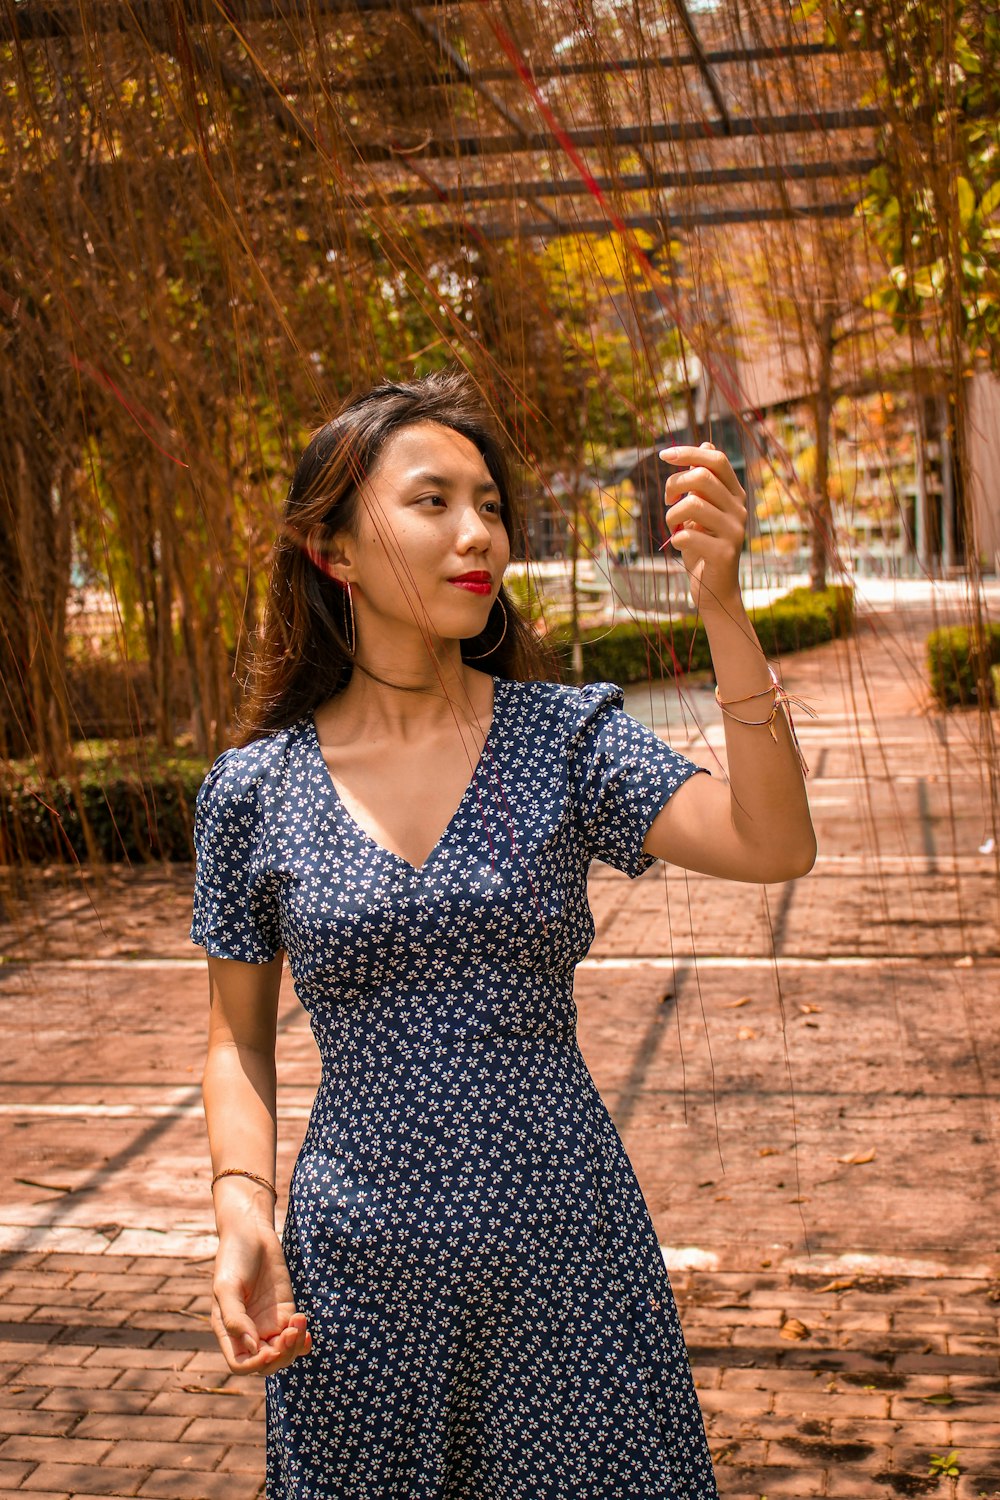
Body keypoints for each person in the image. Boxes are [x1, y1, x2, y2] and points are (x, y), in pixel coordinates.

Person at [191, 368, 817, 1499]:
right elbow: (237, 1037)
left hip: (564, 1260)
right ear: (333, 551)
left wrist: (722, 604)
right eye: (432, 502)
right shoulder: (253, 792)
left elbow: (770, 842)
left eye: (489, 505)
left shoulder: (564, 737)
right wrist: (242, 1207)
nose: (478, 533)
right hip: (357, 1279)